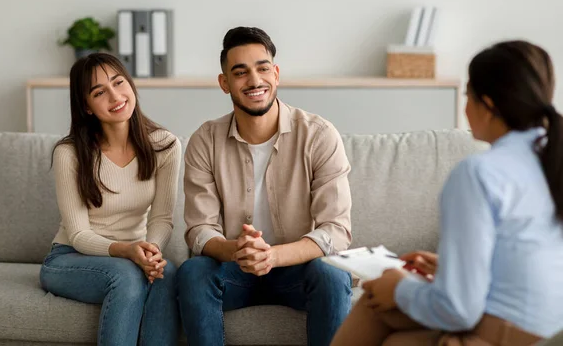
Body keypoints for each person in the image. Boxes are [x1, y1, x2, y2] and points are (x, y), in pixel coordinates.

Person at [331, 40, 563, 346]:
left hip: (511, 335)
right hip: (549, 331)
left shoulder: (480, 172)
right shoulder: (551, 157)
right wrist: (451, 268)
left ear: (488, 104)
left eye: (468, 95)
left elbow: (459, 311)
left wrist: (397, 288)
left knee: (376, 300)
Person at [176, 27, 353, 346]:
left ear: (276, 73)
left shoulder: (318, 135)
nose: (254, 80)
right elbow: (200, 230)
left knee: (333, 274)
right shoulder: (205, 139)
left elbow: (336, 230)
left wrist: (272, 256)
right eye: (240, 72)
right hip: (233, 270)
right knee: (193, 272)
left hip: (297, 270)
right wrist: (239, 251)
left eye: (262, 68)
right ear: (224, 83)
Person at [39, 53, 181, 346]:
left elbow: (162, 218)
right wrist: (128, 251)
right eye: (99, 92)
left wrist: (151, 252)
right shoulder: (70, 154)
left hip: (134, 255)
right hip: (69, 258)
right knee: (127, 277)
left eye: (118, 82)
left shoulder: (165, 146)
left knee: (168, 273)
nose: (115, 96)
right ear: (87, 107)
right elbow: (78, 234)